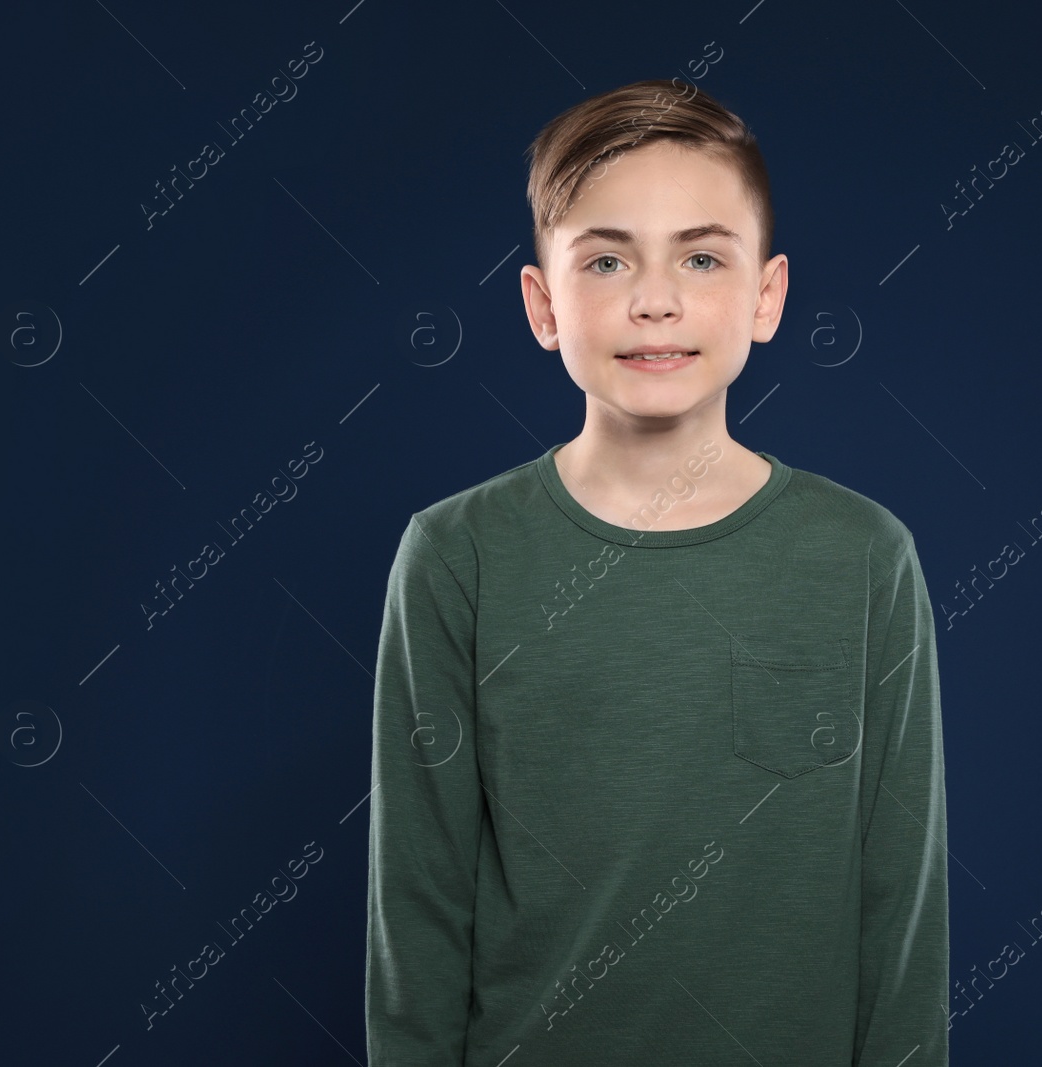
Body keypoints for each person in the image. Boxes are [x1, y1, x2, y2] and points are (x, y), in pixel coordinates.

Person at [365, 78, 949, 1065]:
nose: (655, 299)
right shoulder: (455, 554)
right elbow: (417, 913)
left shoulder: (862, 555)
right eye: (605, 258)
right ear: (542, 305)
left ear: (766, 296)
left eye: (702, 255)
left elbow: (901, 911)